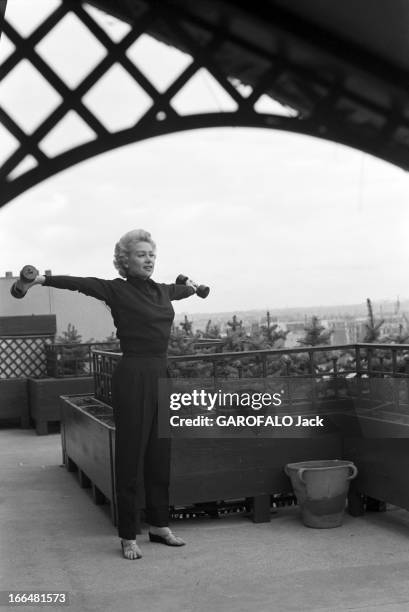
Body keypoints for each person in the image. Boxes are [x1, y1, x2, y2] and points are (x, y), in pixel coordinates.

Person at [19, 229, 202, 560]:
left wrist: (191, 287)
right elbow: (79, 283)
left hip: (161, 373)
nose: (148, 259)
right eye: (141, 254)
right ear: (125, 260)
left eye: (152, 255)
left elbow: (185, 290)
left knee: (160, 452)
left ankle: (160, 525)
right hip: (132, 374)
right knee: (131, 454)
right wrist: (40, 279)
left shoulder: (163, 291)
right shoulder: (115, 290)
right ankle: (128, 533)